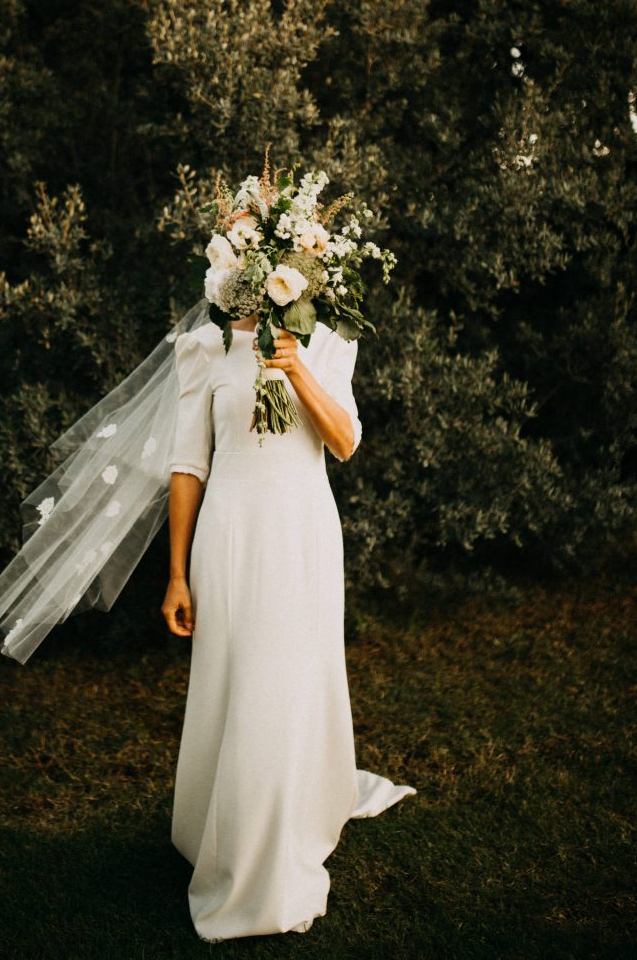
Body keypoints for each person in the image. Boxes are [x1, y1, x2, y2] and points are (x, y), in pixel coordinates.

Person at [160, 311, 416, 942]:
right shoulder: (201, 347)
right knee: (238, 682)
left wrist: (296, 364)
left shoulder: (328, 341)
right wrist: (176, 574)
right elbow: (188, 465)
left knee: (287, 686)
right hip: (231, 537)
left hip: (302, 534)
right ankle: (225, 831)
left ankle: (277, 849)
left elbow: (345, 441)